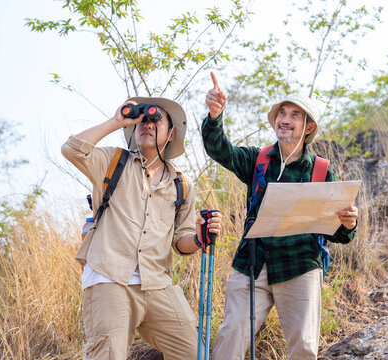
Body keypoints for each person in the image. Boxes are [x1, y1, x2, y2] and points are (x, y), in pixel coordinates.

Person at [202, 73, 358, 360]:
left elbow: (338, 231)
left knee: (304, 348)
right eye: (281, 114)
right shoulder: (257, 160)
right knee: (230, 338)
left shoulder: (321, 171)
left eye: (294, 115)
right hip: (252, 263)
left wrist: (348, 223)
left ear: (308, 126)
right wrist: (215, 116)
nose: (284, 120)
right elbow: (219, 149)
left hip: (300, 265)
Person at [62, 96, 222, 360]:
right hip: (109, 277)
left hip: (157, 284)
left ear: (171, 134)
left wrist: (200, 238)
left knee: (194, 354)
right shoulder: (113, 161)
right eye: (142, 120)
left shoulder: (182, 184)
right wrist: (117, 121)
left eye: (155, 120)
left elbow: (182, 240)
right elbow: (72, 149)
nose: (147, 124)